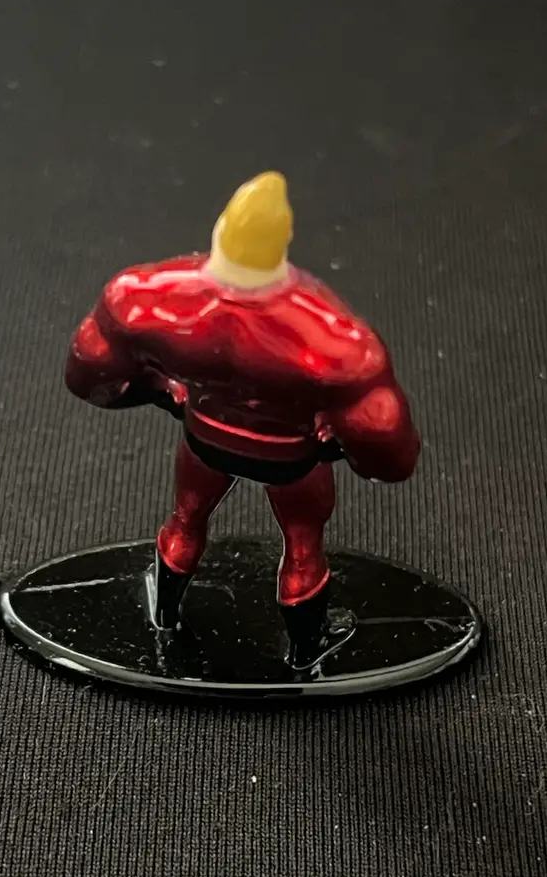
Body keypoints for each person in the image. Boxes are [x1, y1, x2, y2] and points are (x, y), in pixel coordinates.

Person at [65, 172, 420, 669]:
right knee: (303, 547)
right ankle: (304, 651)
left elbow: (89, 369)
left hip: (206, 438)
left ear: (219, 231)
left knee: (186, 519)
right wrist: (335, 445)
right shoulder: (331, 340)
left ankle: (166, 617)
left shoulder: (149, 300)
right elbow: (387, 443)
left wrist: (166, 393)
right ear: (286, 238)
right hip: (289, 456)